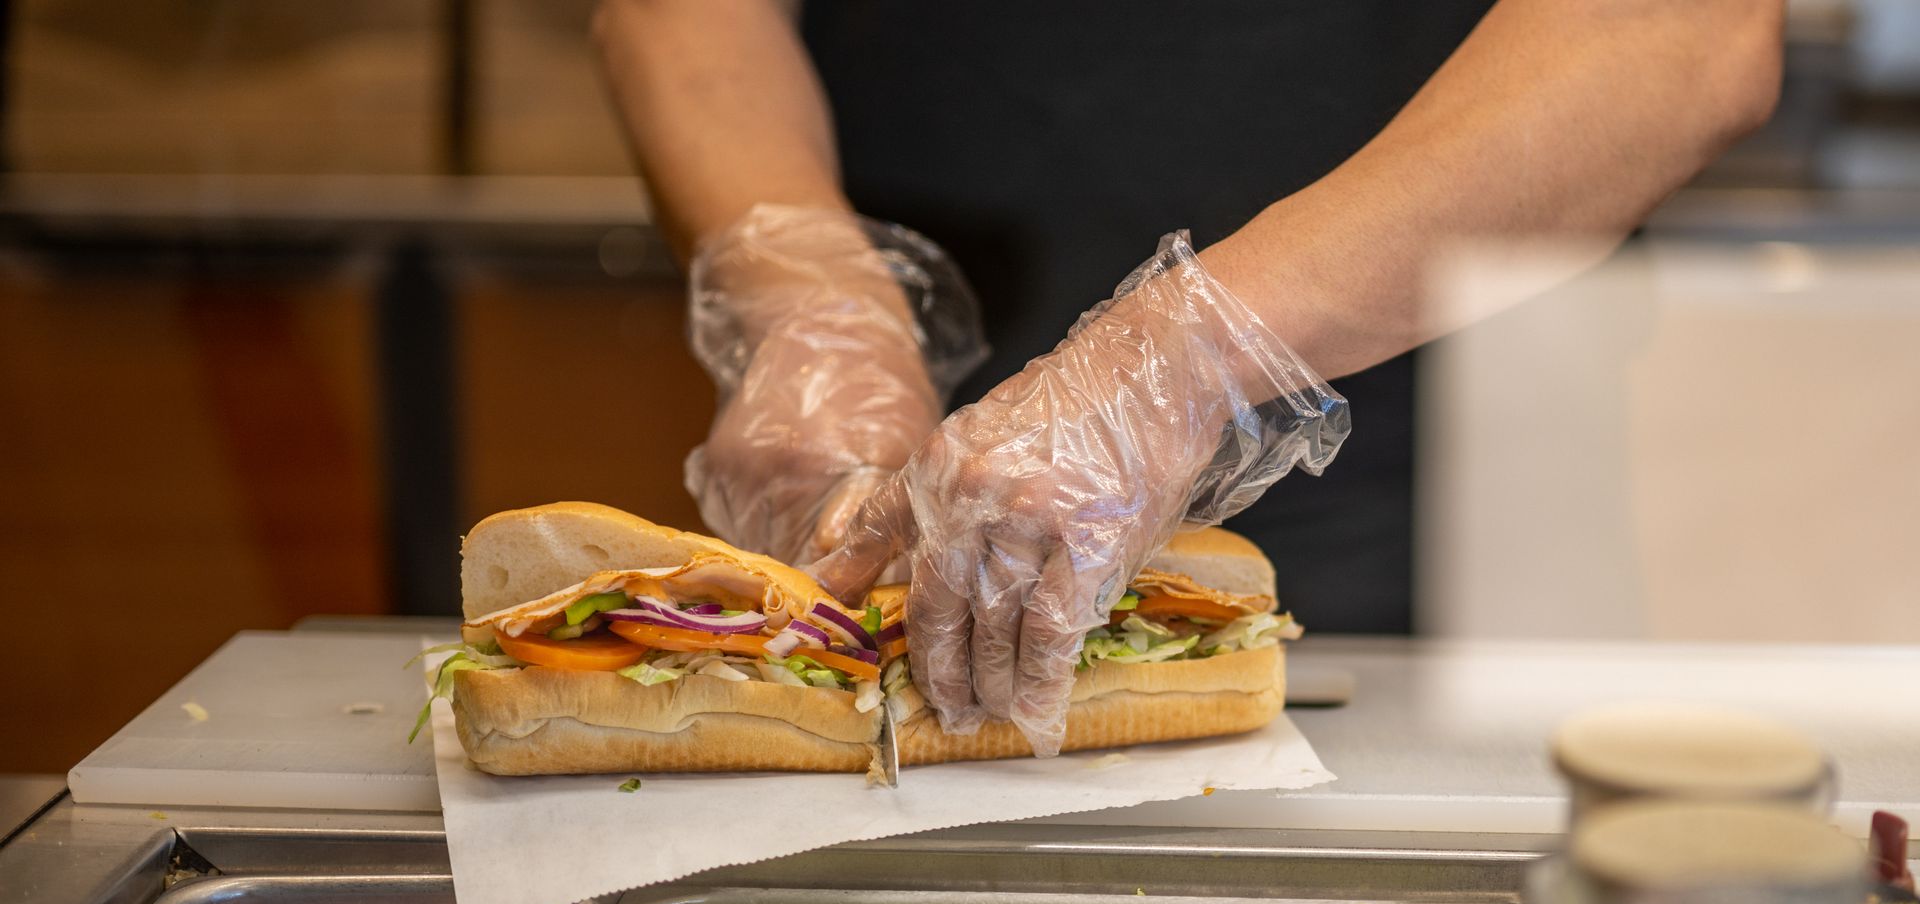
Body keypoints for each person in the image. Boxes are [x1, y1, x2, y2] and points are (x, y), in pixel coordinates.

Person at [594, 0, 1785, 754]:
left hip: (1449, 452)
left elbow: (1681, 30)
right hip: (909, 426)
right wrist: (811, 301)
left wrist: (1187, 356)